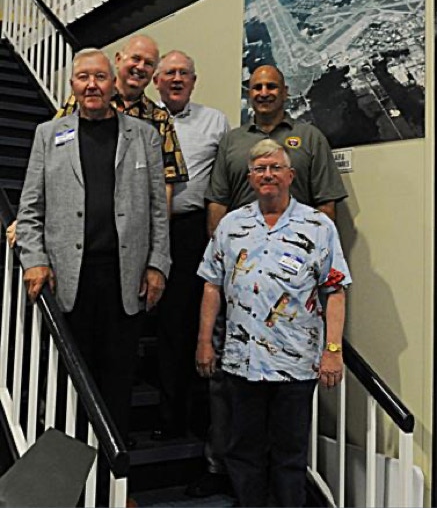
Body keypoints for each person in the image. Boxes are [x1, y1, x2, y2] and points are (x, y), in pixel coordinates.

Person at [189, 64, 348, 497]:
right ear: (249, 176)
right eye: (259, 169)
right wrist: (205, 342)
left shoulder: (318, 227)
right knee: (244, 449)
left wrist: (333, 351)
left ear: (291, 175)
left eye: (276, 168)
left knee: (289, 452)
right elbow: (212, 283)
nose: (267, 175)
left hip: (296, 359)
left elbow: (335, 290)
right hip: (242, 358)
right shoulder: (231, 225)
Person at [16, 48, 170, 445]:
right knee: (67, 383)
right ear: (72, 85)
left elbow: (158, 209)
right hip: (67, 280)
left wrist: (157, 264)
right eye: (83, 77)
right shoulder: (48, 135)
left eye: (100, 77)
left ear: (113, 83)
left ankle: (112, 474)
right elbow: (30, 210)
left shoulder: (145, 136)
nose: (92, 85)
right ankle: (72, 469)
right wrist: (34, 260)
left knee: (117, 380)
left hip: (124, 280)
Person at [6, 34, 188, 247]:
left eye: (148, 63)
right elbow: (50, 157)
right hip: (79, 230)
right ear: (118, 59)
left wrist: (156, 241)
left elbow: (164, 186)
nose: (140, 67)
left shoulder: (159, 120)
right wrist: (28, 219)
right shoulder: (82, 101)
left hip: (128, 236)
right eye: (135, 58)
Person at [150, 50, 230, 440]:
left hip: (191, 230)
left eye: (184, 73)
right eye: (169, 73)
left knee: (186, 323)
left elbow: (227, 180)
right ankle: (165, 417)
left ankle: (187, 419)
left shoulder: (216, 121)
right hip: (145, 229)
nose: (177, 79)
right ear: (156, 81)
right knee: (156, 323)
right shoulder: (141, 119)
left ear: (194, 81)